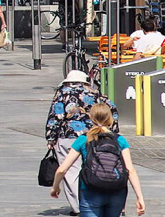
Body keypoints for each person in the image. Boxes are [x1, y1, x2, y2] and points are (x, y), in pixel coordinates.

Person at [45, 70, 120, 216]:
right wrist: (113, 132)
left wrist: (50, 138)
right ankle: (96, 201)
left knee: (71, 172)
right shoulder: (95, 93)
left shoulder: (62, 93)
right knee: (93, 167)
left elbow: (56, 116)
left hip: (68, 136)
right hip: (94, 136)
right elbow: (113, 109)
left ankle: (79, 207)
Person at [50, 104, 146, 217]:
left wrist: (55, 187)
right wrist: (139, 197)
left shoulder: (83, 139)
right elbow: (130, 170)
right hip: (116, 191)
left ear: (91, 118)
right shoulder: (120, 140)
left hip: (90, 190)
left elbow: (62, 169)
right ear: (110, 119)